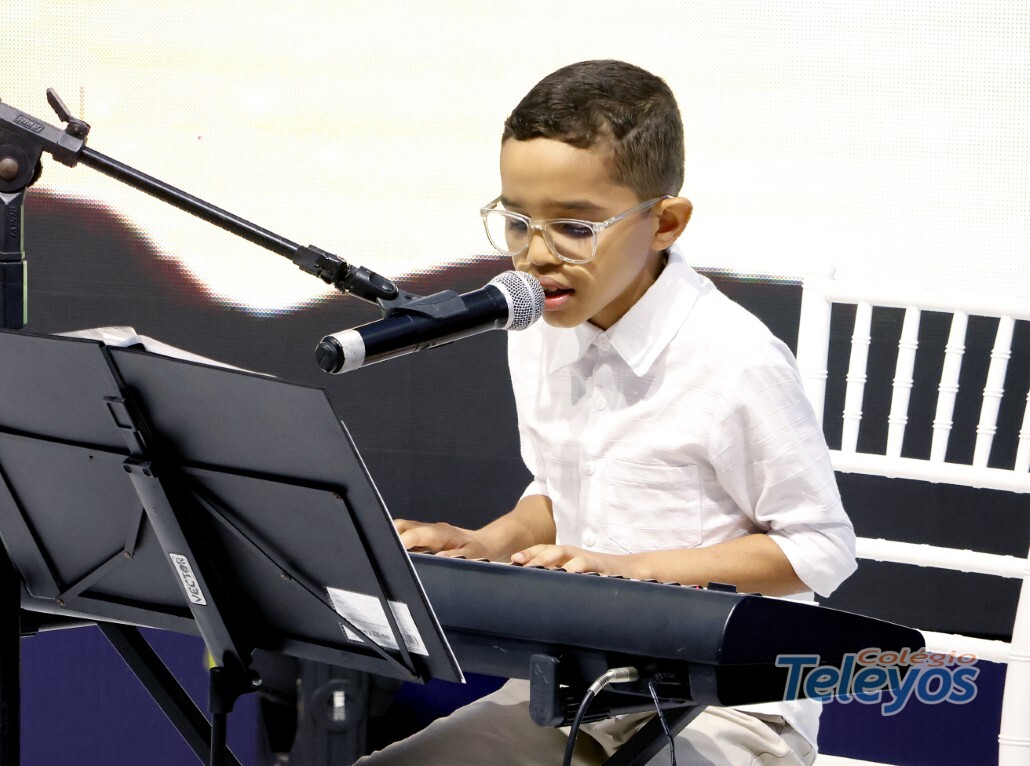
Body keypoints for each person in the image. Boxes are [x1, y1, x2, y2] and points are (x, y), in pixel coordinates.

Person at [356, 60, 856, 765]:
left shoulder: (736, 359)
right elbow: (562, 489)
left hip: (724, 710)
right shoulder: (539, 329)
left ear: (665, 222)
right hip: (573, 693)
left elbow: (820, 550)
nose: (535, 256)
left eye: (574, 227)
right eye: (517, 222)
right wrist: (489, 541)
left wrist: (632, 570)